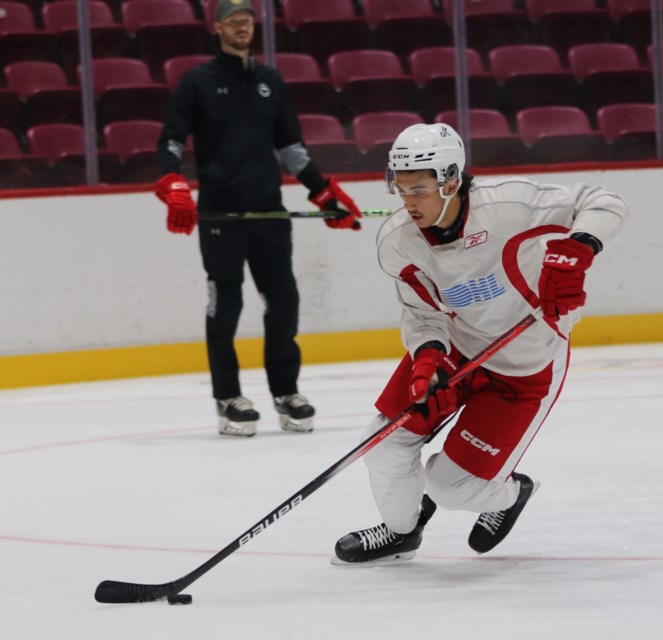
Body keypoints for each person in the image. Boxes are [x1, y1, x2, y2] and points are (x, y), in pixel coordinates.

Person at [331, 123, 628, 565]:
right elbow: (422, 313)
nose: (407, 202)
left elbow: (602, 201)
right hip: (456, 348)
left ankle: (508, 495)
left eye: (419, 189)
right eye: (400, 188)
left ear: (451, 180)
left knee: (451, 488)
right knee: (384, 443)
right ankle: (400, 532)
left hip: (525, 362)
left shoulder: (510, 206)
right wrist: (426, 360)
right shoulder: (398, 242)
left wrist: (579, 246)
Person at [154, 0, 364, 437]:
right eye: (233, 21)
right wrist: (172, 182)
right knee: (225, 305)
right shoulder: (198, 82)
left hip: (269, 211)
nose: (242, 27)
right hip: (221, 214)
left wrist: (321, 192)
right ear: (217, 28)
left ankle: (287, 393)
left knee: (283, 300)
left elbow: (291, 147)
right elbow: (172, 139)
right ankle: (228, 398)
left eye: (247, 20)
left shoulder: (271, 81)